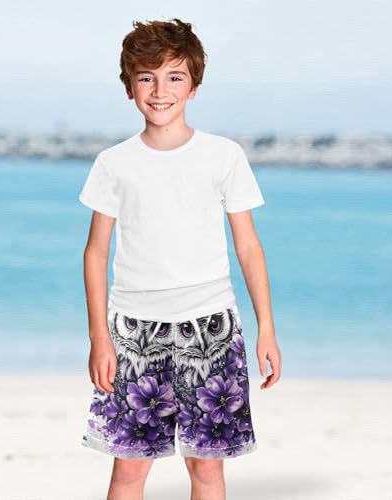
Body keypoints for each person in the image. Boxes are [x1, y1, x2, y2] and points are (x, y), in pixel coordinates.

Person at [78, 17, 281, 500]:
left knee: (207, 469)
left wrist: (266, 329)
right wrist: (100, 338)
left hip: (211, 327)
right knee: (129, 470)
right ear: (129, 86)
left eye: (175, 77)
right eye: (146, 77)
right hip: (134, 331)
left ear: (194, 86)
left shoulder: (224, 156)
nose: (160, 91)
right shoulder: (114, 163)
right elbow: (96, 251)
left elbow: (248, 246)